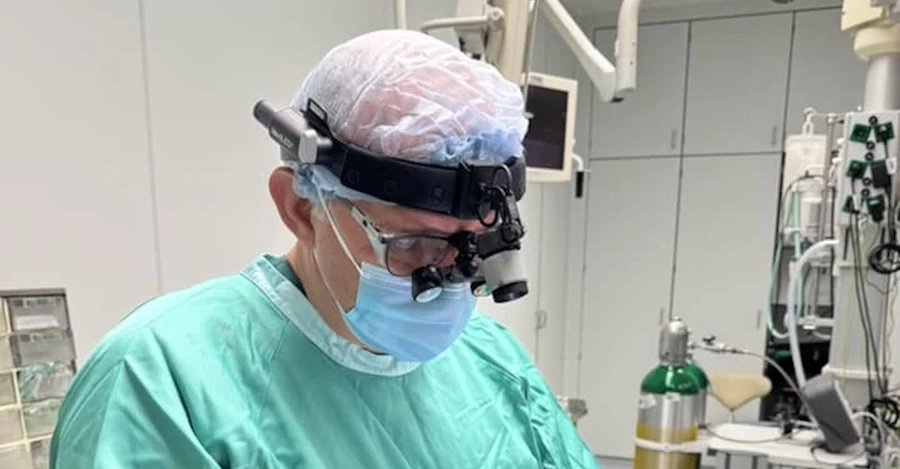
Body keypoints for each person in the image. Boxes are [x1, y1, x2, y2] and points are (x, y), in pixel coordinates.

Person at [49, 29, 597, 468]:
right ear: (299, 208)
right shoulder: (160, 380)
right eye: (413, 245)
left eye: (476, 245)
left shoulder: (492, 359)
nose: (450, 277)